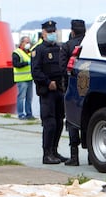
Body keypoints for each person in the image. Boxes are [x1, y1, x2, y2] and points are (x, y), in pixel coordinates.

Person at [31, 20, 68, 164]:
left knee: (59, 122)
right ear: (43, 33)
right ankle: (46, 154)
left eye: (54, 31)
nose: (52, 34)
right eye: (49, 32)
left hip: (59, 89)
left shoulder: (59, 48)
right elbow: (35, 71)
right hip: (47, 91)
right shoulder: (38, 50)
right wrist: (47, 82)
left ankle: (54, 151)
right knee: (49, 123)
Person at [59, 19, 86, 166]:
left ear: (72, 31)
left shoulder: (67, 46)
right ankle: (91, 156)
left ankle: (74, 157)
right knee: (89, 118)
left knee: (72, 121)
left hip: (73, 87)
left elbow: (63, 67)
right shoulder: (89, 44)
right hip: (90, 86)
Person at [12, 36, 34, 120]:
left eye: (29, 42)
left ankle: (29, 114)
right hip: (21, 79)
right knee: (21, 97)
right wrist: (26, 63)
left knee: (29, 98)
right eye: (26, 42)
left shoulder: (29, 52)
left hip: (29, 78)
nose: (28, 44)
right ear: (21, 43)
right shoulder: (16, 53)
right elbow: (16, 64)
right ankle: (21, 114)